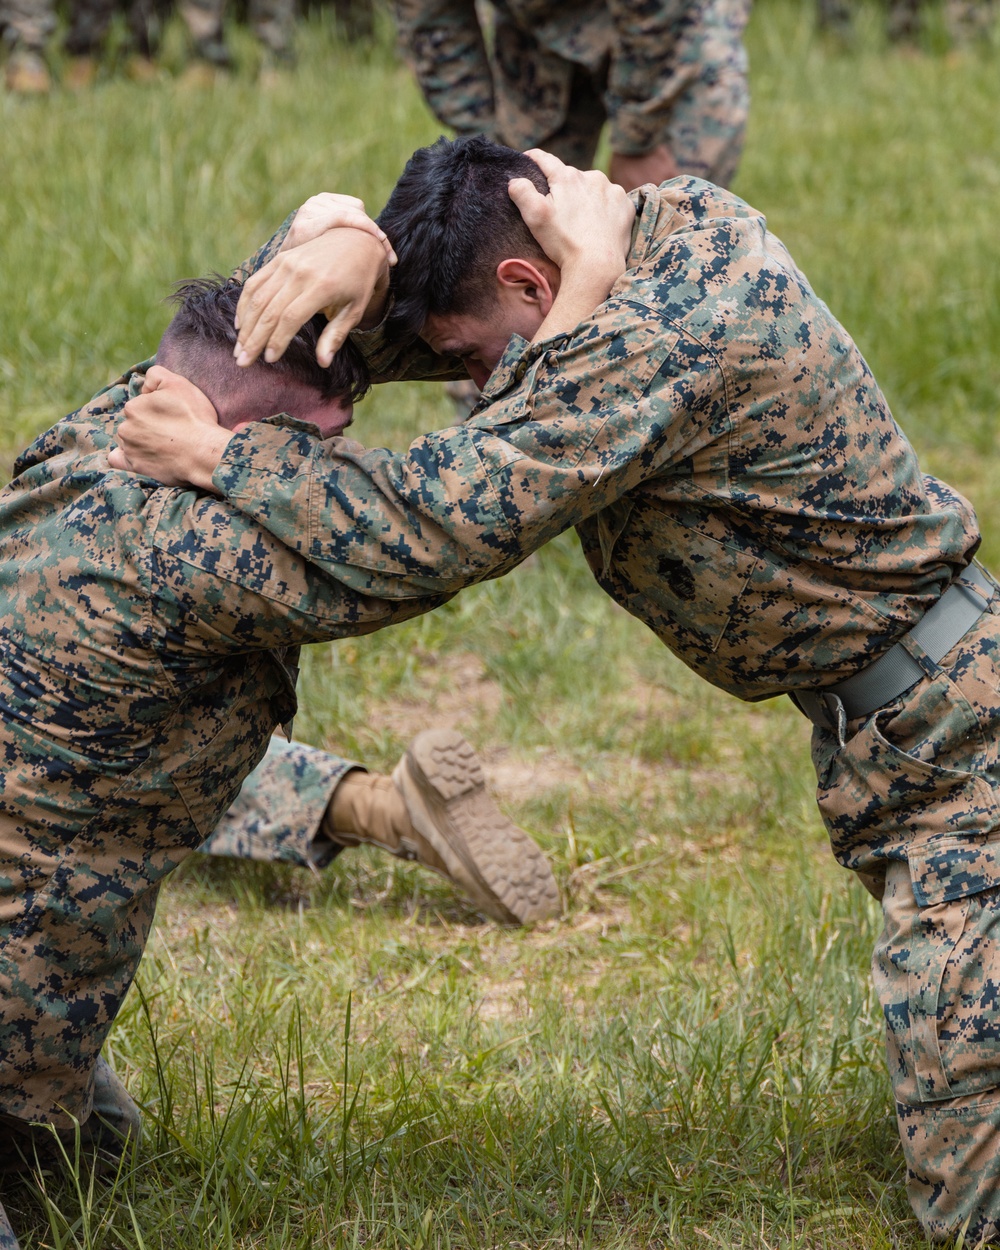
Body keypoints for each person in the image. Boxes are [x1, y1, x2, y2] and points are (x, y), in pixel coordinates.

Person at [116, 136, 1000, 1242]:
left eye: (479, 362)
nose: (471, 383)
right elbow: (308, 338)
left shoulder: (681, 320)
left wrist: (219, 461)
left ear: (533, 281)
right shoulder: (616, 251)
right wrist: (340, 237)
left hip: (965, 761)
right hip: (904, 741)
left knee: (972, 1206)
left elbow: (440, 520)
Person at [0, 190, 581, 1243]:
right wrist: (587, 311)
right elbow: (429, 538)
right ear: (236, 438)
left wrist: (347, 235)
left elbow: (278, 284)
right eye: (317, 443)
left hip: (61, 875)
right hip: (25, 957)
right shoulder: (204, 550)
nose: (333, 455)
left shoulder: (130, 412)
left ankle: (374, 808)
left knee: (96, 1145)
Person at [394, 0, 752, 191]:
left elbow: (656, 14)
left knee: (666, 215)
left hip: (674, 30)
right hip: (540, 29)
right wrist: (485, 150)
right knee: (518, 206)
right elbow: (433, 21)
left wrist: (639, 138)